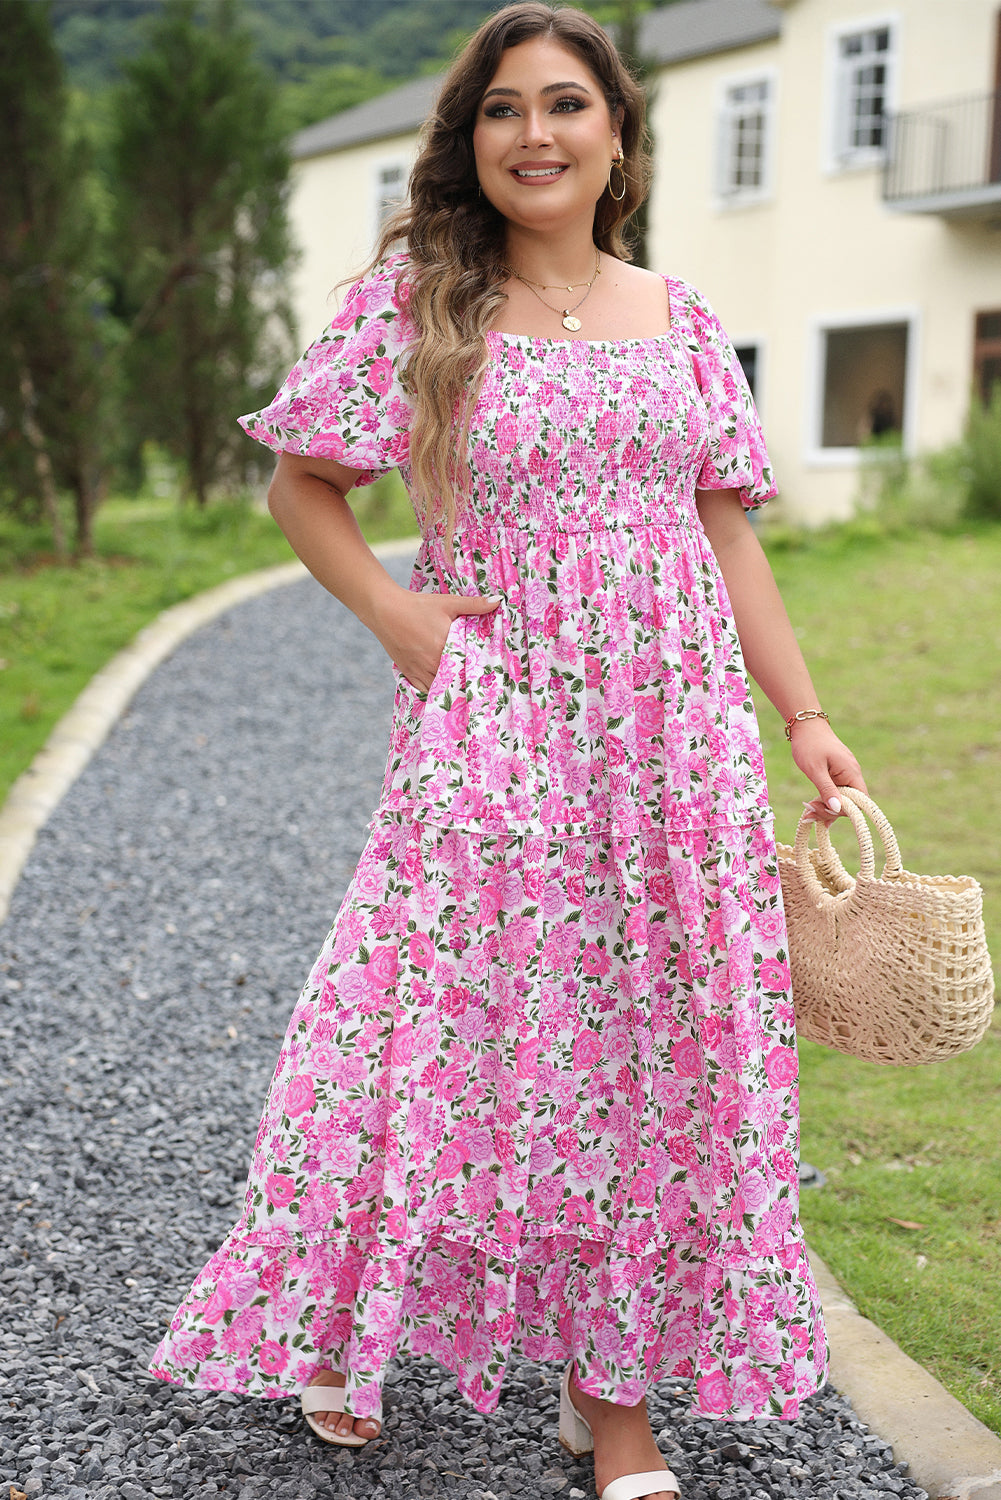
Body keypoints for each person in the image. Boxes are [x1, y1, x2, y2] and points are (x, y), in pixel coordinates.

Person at [150, 6, 867, 1499]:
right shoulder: (418, 299)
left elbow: (720, 527)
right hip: (498, 720)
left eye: (562, 105)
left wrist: (798, 715)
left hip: (675, 747)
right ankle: (349, 1310)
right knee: (431, 1026)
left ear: (616, 134)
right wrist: (400, 622)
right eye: (499, 110)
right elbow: (302, 489)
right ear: (468, 141)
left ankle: (607, 1398)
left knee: (654, 1060)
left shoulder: (675, 315)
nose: (530, 133)